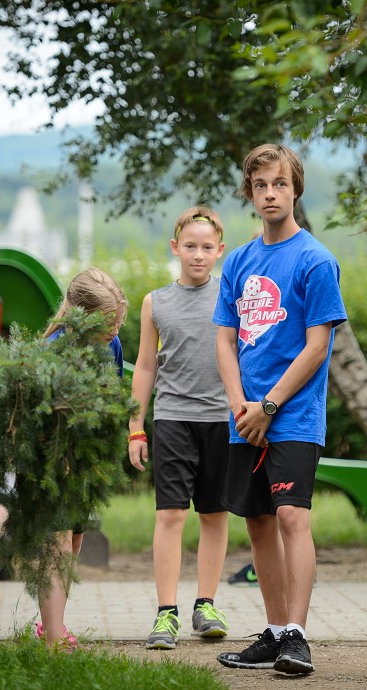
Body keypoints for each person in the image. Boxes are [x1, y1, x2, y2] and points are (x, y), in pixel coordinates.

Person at [212, 143, 347, 675]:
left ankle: (297, 635)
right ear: (250, 192)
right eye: (261, 185)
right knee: (259, 522)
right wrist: (240, 405)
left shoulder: (315, 260)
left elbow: (316, 346)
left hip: (293, 413)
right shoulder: (239, 261)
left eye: (280, 184)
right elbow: (225, 341)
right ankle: (272, 632)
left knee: (292, 516)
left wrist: (269, 405)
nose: (270, 194)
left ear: (295, 190)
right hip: (244, 414)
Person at [128, 206, 231, 650]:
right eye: (190, 246)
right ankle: (165, 613)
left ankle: (205, 605)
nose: (198, 255)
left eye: (207, 247)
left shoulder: (233, 296)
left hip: (222, 420)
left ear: (220, 251)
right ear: (175, 247)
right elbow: (146, 367)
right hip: (172, 419)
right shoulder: (156, 301)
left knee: (213, 514)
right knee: (170, 514)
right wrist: (136, 425)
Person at [39, 266, 128, 650]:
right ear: (79, 316)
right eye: (109, 322)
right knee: (56, 542)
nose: (116, 329)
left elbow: (115, 393)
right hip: (56, 462)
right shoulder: (56, 349)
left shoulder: (112, 344)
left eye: (120, 320)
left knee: (73, 540)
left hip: (87, 461)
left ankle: (52, 624)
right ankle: (54, 636)